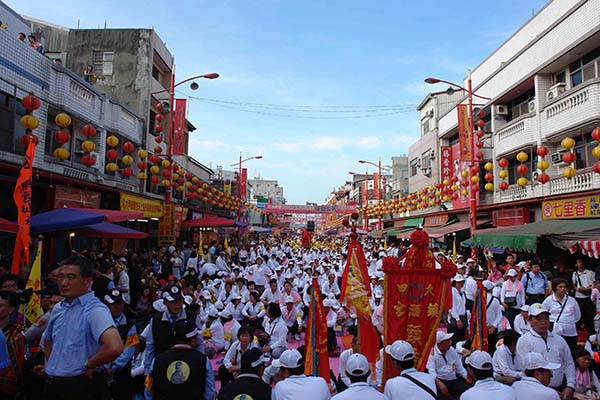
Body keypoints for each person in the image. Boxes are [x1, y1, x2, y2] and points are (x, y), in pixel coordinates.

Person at [42, 256, 123, 400]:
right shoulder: (58, 308)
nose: (64, 283)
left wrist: (90, 364)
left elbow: (114, 347)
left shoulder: (95, 310)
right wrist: (53, 364)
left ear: (87, 281)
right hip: (52, 385)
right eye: (60, 277)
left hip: (80, 386)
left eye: (71, 277)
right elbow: (47, 340)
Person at [516, 302, 576, 399]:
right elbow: (524, 368)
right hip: (535, 392)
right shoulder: (524, 341)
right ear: (530, 320)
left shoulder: (559, 340)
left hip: (560, 389)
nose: (543, 322)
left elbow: (569, 363)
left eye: (545, 318)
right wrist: (546, 391)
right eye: (538, 318)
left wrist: (570, 386)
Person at [142, 283, 202, 376]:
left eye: (179, 300)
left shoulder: (192, 317)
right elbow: (150, 346)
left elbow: (199, 342)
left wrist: (200, 363)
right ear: (165, 302)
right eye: (173, 301)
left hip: (188, 366)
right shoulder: (156, 321)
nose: (177, 304)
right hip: (162, 367)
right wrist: (148, 370)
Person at [151, 319, 215, 400]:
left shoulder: (157, 360)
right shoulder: (203, 360)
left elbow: (149, 389)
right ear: (193, 341)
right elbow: (210, 392)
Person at [425, 331, 469, 399]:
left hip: (453, 379)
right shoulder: (432, 353)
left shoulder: (452, 350)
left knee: (467, 391)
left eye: (450, 341)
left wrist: (467, 377)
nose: (450, 343)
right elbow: (431, 370)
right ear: (440, 344)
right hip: (441, 380)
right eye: (447, 342)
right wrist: (439, 384)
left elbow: (460, 367)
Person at [542, 278, 581, 353]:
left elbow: (577, 316)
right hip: (555, 332)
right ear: (555, 288)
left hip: (570, 333)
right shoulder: (549, 300)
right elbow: (543, 315)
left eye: (564, 287)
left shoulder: (572, 301)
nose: (563, 289)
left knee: (570, 353)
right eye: (560, 287)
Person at [573, 259, 596, 336]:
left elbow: (594, 284)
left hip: (588, 296)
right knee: (580, 313)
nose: (578, 264)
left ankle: (590, 330)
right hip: (578, 296)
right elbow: (574, 284)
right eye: (577, 262)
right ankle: (580, 329)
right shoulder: (575, 273)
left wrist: (586, 289)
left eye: (579, 262)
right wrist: (577, 289)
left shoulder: (590, 273)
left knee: (589, 314)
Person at [448, 275, 468, 345]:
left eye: (462, 282)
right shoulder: (452, 292)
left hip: (462, 317)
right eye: (459, 282)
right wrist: (457, 319)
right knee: (454, 340)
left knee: (460, 339)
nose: (461, 284)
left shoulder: (462, 293)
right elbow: (452, 307)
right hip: (455, 319)